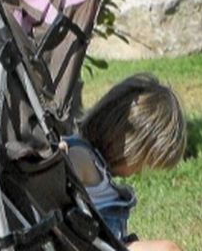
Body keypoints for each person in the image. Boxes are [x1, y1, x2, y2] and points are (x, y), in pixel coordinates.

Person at [66, 74, 187, 251]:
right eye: (143, 162)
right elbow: (61, 171)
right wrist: (61, 157)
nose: (138, 172)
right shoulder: (82, 156)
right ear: (130, 145)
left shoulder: (95, 164)